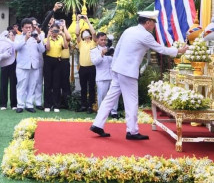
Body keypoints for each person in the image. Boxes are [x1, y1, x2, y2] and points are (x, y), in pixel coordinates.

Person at [90, 11, 188, 140]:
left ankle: (97, 124)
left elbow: (117, 49)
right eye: (153, 23)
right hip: (128, 72)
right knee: (131, 102)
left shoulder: (129, 30)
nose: (154, 26)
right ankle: (132, 131)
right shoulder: (145, 35)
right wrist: (178, 51)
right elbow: (161, 49)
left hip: (118, 69)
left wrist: (114, 67)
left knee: (109, 99)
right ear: (147, 22)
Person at [14, 18, 45, 113]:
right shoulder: (18, 37)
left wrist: (38, 40)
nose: (28, 29)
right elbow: (16, 48)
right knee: (21, 85)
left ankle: (29, 104)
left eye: (30, 27)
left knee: (32, 85)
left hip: (34, 65)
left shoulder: (36, 37)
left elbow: (42, 50)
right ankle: (20, 105)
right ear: (22, 28)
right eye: (26, 27)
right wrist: (25, 39)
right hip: (22, 65)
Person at [90, 32, 118, 118]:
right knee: (101, 95)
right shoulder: (94, 51)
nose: (103, 41)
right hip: (102, 76)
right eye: (101, 40)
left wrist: (113, 55)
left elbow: (116, 61)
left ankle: (114, 112)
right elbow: (95, 62)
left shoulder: (111, 49)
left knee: (114, 95)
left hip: (112, 76)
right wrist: (101, 54)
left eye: (105, 40)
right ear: (97, 40)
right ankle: (101, 112)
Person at [43, 23, 68, 112]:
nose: (55, 32)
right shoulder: (46, 39)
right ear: (50, 30)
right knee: (48, 83)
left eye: (56, 31)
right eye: (53, 30)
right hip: (48, 61)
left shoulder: (60, 38)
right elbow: (47, 48)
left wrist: (63, 36)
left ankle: (56, 105)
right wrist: (48, 37)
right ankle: (47, 105)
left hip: (58, 61)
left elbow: (66, 46)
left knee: (57, 84)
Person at [75, 14, 97, 114]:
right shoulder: (81, 43)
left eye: (86, 32)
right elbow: (76, 33)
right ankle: (83, 105)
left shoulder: (93, 42)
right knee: (83, 87)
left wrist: (87, 20)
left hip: (92, 68)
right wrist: (77, 21)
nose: (85, 34)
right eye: (84, 33)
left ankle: (90, 106)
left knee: (91, 87)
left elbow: (94, 33)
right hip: (82, 68)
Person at [0, 29, 17, 110]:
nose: (12, 36)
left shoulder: (16, 43)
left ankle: (14, 104)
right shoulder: (5, 42)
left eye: (13, 35)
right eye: (10, 35)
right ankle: (3, 104)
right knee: (3, 83)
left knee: (13, 84)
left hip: (13, 63)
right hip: (5, 64)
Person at [30, 18, 45, 110]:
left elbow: (43, 48)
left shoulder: (42, 34)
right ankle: (29, 102)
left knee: (39, 83)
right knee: (30, 83)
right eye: (33, 25)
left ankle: (38, 102)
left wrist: (38, 34)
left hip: (39, 61)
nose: (34, 27)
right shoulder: (26, 35)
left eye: (36, 25)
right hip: (29, 63)